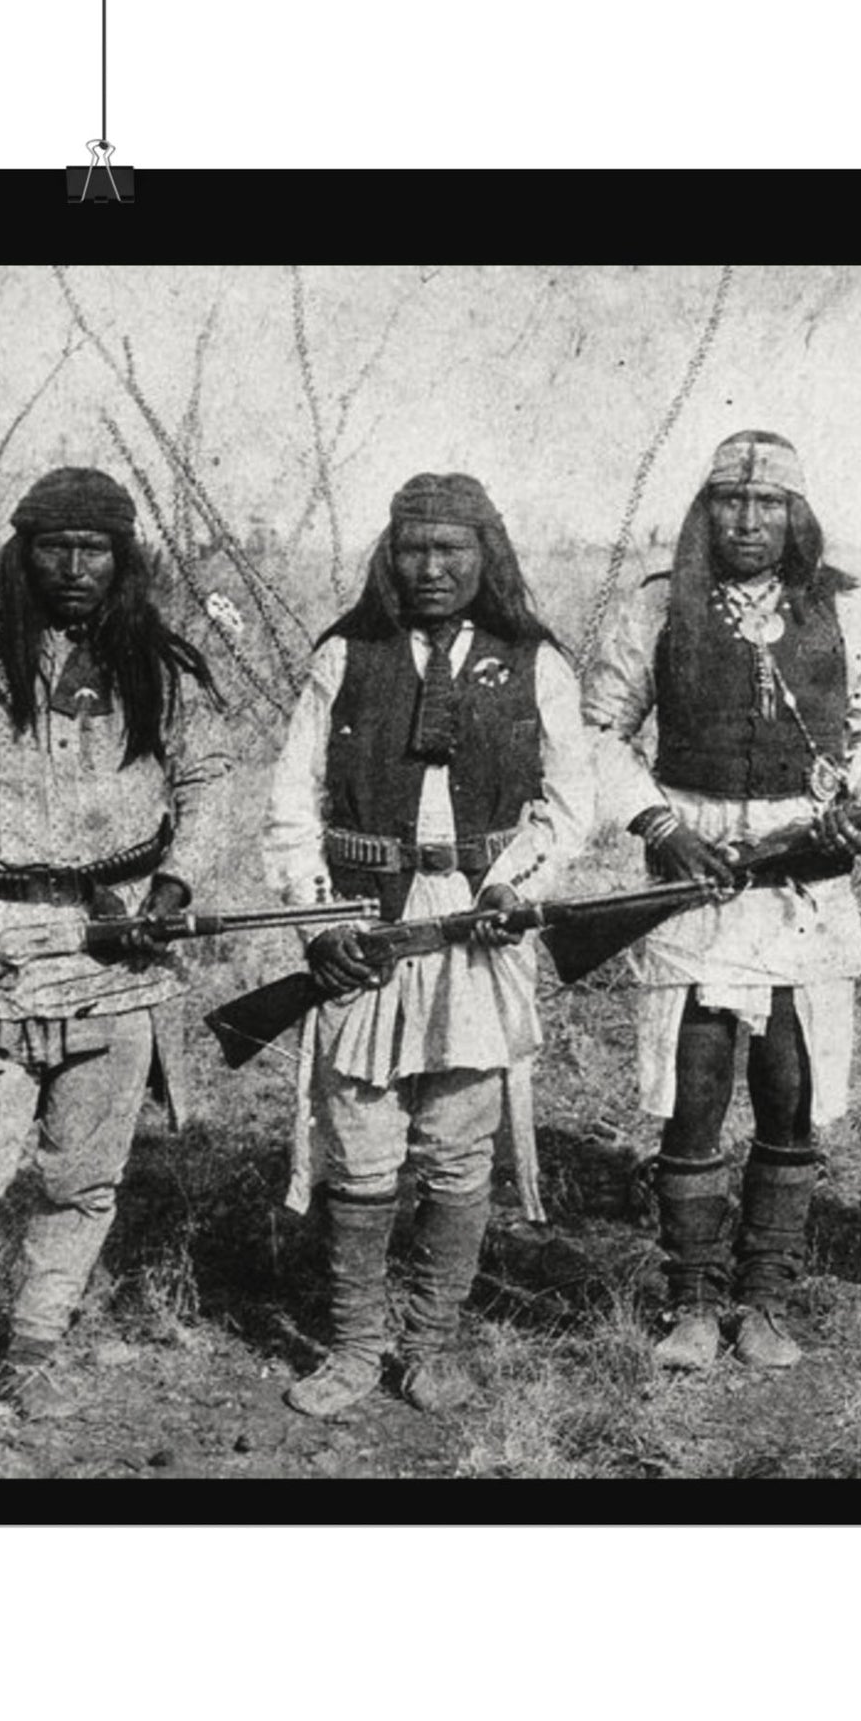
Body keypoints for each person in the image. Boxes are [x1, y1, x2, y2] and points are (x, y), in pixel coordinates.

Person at [0, 466, 230, 1415]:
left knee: (83, 1178)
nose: (76, 568)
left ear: (123, 558)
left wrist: (174, 886)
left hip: (118, 949)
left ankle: (35, 1345)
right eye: (56, 548)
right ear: (25, 553)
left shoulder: (162, 662)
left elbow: (208, 778)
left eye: (95, 550)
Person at [585, 431, 861, 1371]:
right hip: (694, 877)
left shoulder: (845, 605)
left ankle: (765, 1299)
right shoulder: (658, 606)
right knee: (693, 1090)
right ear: (706, 509)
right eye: (730, 501)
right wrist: (658, 824)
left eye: (769, 504)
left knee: (789, 1089)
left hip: (803, 879)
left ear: (795, 515)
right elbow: (598, 732)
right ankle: (691, 1299)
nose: (747, 520)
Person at [263, 472, 592, 1417]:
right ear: (389, 555)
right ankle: (354, 1347)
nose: (432, 567)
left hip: (478, 930)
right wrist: (321, 923)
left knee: (457, 1143)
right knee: (361, 1141)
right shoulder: (345, 655)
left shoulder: (536, 661)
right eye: (414, 548)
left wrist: (515, 886)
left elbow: (571, 805)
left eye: (452, 549)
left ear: (487, 556)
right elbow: (290, 804)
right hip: (364, 923)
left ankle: (431, 1344)